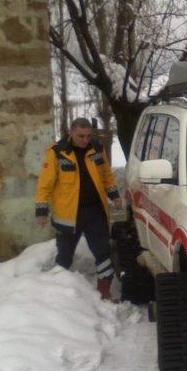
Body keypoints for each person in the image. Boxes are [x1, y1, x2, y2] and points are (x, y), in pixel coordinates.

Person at [35, 117, 122, 301]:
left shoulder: (97, 148)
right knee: (65, 256)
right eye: (81, 136)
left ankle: (104, 293)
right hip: (67, 216)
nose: (85, 140)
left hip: (95, 212)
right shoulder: (57, 152)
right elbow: (44, 184)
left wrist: (114, 195)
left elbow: (107, 175)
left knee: (102, 252)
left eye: (88, 136)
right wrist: (41, 210)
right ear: (71, 133)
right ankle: (58, 296)